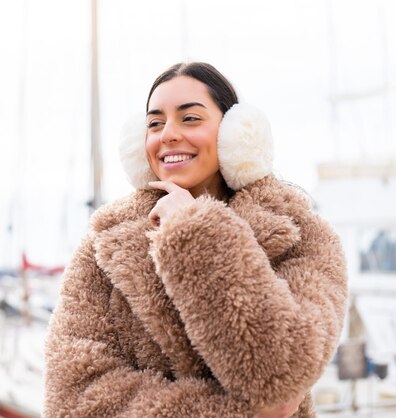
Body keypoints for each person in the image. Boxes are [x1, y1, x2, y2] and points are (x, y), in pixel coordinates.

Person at [43, 62, 348, 418]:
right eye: (155, 123)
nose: (168, 134)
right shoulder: (104, 243)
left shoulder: (303, 235)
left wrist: (194, 231)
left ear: (236, 134)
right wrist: (243, 414)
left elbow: (278, 375)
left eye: (190, 119)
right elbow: (74, 401)